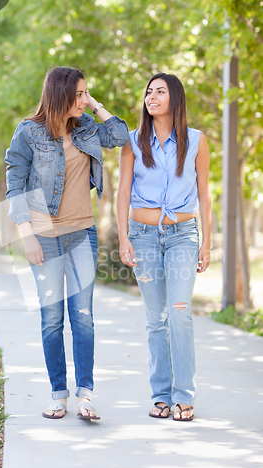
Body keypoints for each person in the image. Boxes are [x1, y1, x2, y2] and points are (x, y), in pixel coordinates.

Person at [5, 67, 129, 420]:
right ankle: (58, 394)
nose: (83, 99)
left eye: (85, 93)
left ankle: (85, 395)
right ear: (59, 94)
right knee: (51, 318)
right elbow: (14, 181)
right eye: (77, 94)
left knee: (84, 317)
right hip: (43, 235)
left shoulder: (87, 126)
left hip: (82, 234)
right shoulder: (29, 132)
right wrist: (26, 234)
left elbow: (120, 136)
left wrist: (95, 104)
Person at [116, 73, 211, 421]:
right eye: (148, 92)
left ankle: (184, 395)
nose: (151, 97)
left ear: (175, 99)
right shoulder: (132, 142)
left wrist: (207, 244)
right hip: (142, 236)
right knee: (155, 319)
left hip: (183, 236)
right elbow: (123, 192)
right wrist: (124, 237)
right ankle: (161, 396)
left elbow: (205, 196)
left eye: (160, 91)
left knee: (179, 313)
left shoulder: (198, 141)